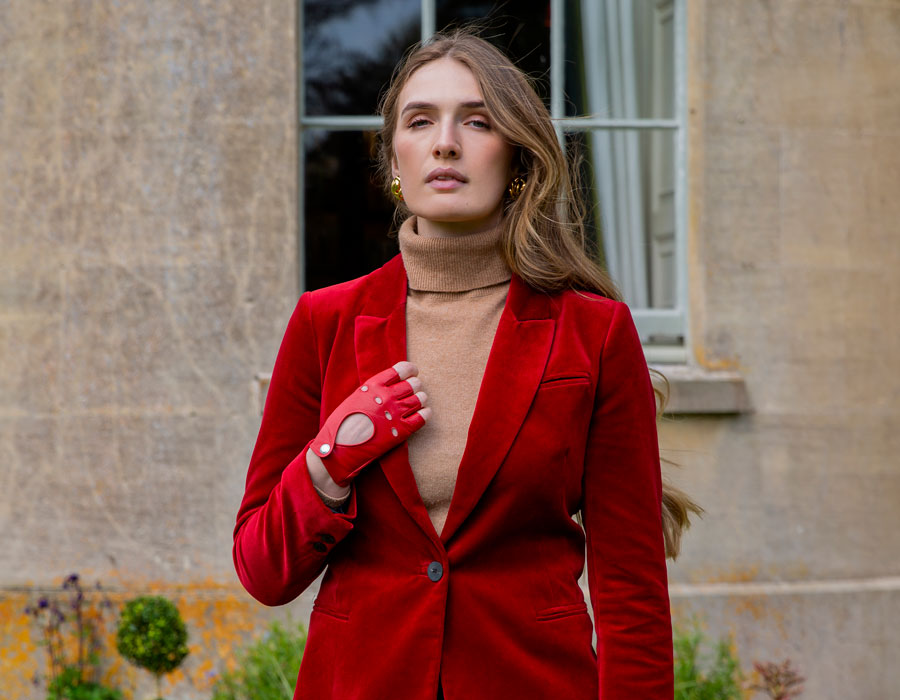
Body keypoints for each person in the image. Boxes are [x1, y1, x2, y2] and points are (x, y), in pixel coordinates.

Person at [233, 28, 696, 700]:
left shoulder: (594, 332)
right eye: (420, 121)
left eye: (476, 121)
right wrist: (327, 463)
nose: (445, 141)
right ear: (395, 157)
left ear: (516, 157)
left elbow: (632, 590)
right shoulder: (324, 323)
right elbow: (261, 569)